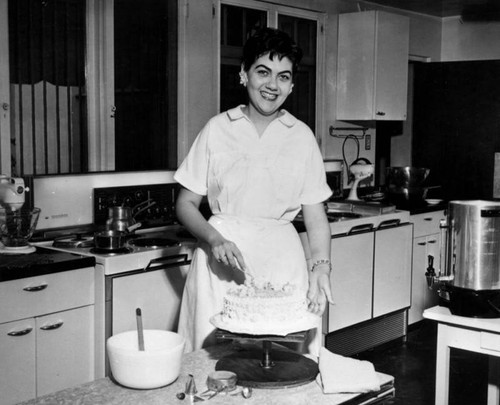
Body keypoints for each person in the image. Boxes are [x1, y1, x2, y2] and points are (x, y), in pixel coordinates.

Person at [174, 27, 333, 355]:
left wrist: (321, 268)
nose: (273, 85)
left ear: (291, 84)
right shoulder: (217, 129)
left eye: (284, 76)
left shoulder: (301, 137)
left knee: (287, 360)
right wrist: (214, 239)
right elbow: (186, 204)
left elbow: (316, 217)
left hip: (282, 260)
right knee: (213, 359)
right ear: (244, 75)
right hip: (221, 261)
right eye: (263, 72)